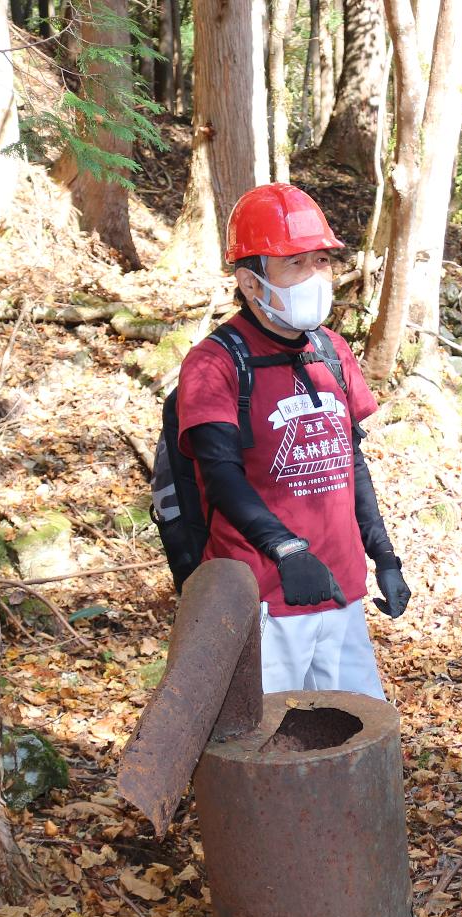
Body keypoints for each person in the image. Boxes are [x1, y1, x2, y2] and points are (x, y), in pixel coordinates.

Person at [175, 183, 410, 697]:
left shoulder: (331, 350)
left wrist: (384, 557)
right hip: (263, 602)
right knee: (265, 754)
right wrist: (285, 550)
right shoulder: (214, 363)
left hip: (342, 593)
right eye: (296, 264)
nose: (316, 277)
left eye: (322, 261)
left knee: (357, 743)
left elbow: (351, 462)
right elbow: (219, 476)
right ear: (251, 282)